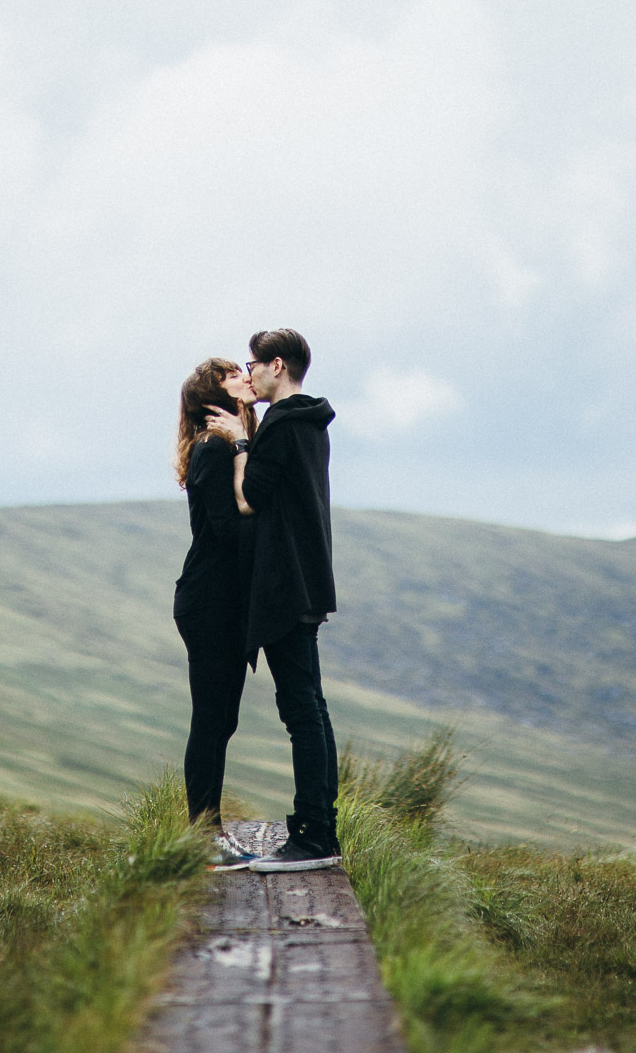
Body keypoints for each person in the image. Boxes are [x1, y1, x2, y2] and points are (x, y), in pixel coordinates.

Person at [206, 327, 341, 872]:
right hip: (306, 580)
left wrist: (240, 439)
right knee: (311, 708)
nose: (250, 373)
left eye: (253, 364)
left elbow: (248, 500)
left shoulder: (284, 425)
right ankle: (317, 827)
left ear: (277, 365)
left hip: (286, 584)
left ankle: (312, 838)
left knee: (301, 712)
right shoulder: (312, 422)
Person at [171, 357, 263, 870]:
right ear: (215, 396)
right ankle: (203, 838)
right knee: (210, 720)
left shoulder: (227, 445)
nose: (244, 378)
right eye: (233, 375)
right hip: (209, 603)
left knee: (220, 720)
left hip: (223, 603)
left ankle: (208, 833)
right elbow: (228, 530)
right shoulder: (212, 449)